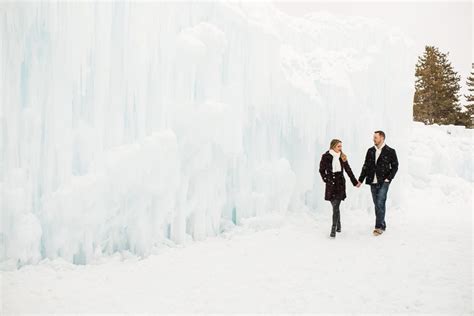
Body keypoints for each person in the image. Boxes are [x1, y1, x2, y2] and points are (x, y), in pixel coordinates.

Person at [357, 130, 399, 236]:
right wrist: (360, 180)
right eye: (373, 137)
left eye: (375, 137)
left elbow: (395, 166)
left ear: (382, 138)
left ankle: (378, 227)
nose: (373, 139)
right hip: (372, 181)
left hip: (384, 181)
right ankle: (382, 223)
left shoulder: (390, 151)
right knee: (377, 204)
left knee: (380, 202)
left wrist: (389, 178)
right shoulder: (370, 151)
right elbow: (366, 166)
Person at [319, 139, 360, 238]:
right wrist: (326, 180)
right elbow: (321, 170)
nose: (340, 148)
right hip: (330, 184)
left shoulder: (342, 157)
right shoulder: (326, 157)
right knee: (335, 206)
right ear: (333, 146)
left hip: (340, 183)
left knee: (336, 205)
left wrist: (355, 182)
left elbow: (348, 170)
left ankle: (333, 229)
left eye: (341, 146)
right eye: (339, 146)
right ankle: (339, 225)